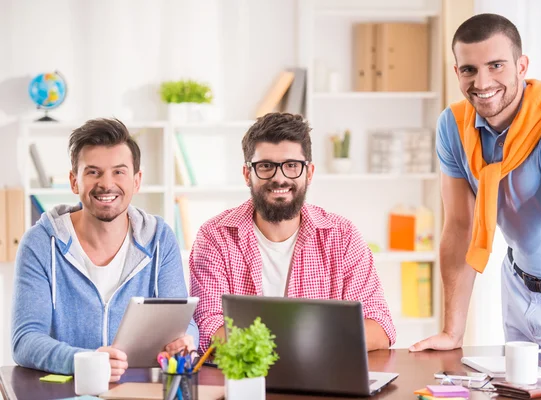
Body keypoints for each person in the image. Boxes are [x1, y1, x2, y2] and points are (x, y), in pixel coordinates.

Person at [409, 13, 541, 387]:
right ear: (457, 71)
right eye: (469, 70)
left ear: (521, 66)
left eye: (496, 65)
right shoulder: (454, 125)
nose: (482, 83)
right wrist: (452, 332)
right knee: (517, 393)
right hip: (517, 284)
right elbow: (460, 228)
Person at [190, 112, 395, 353]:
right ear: (247, 174)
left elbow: (379, 327)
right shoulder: (215, 236)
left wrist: (291, 345)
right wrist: (302, 343)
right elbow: (208, 329)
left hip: (324, 381)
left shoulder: (342, 236)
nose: (279, 178)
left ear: (309, 172)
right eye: (266, 166)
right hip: (245, 379)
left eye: (291, 166)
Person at [11, 118, 198, 381]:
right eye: (93, 172)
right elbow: (25, 340)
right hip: (68, 391)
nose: (106, 184)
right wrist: (88, 362)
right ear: (74, 181)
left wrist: (186, 341)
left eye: (119, 172)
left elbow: (182, 322)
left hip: (141, 391)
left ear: (137, 180)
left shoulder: (160, 238)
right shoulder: (40, 242)